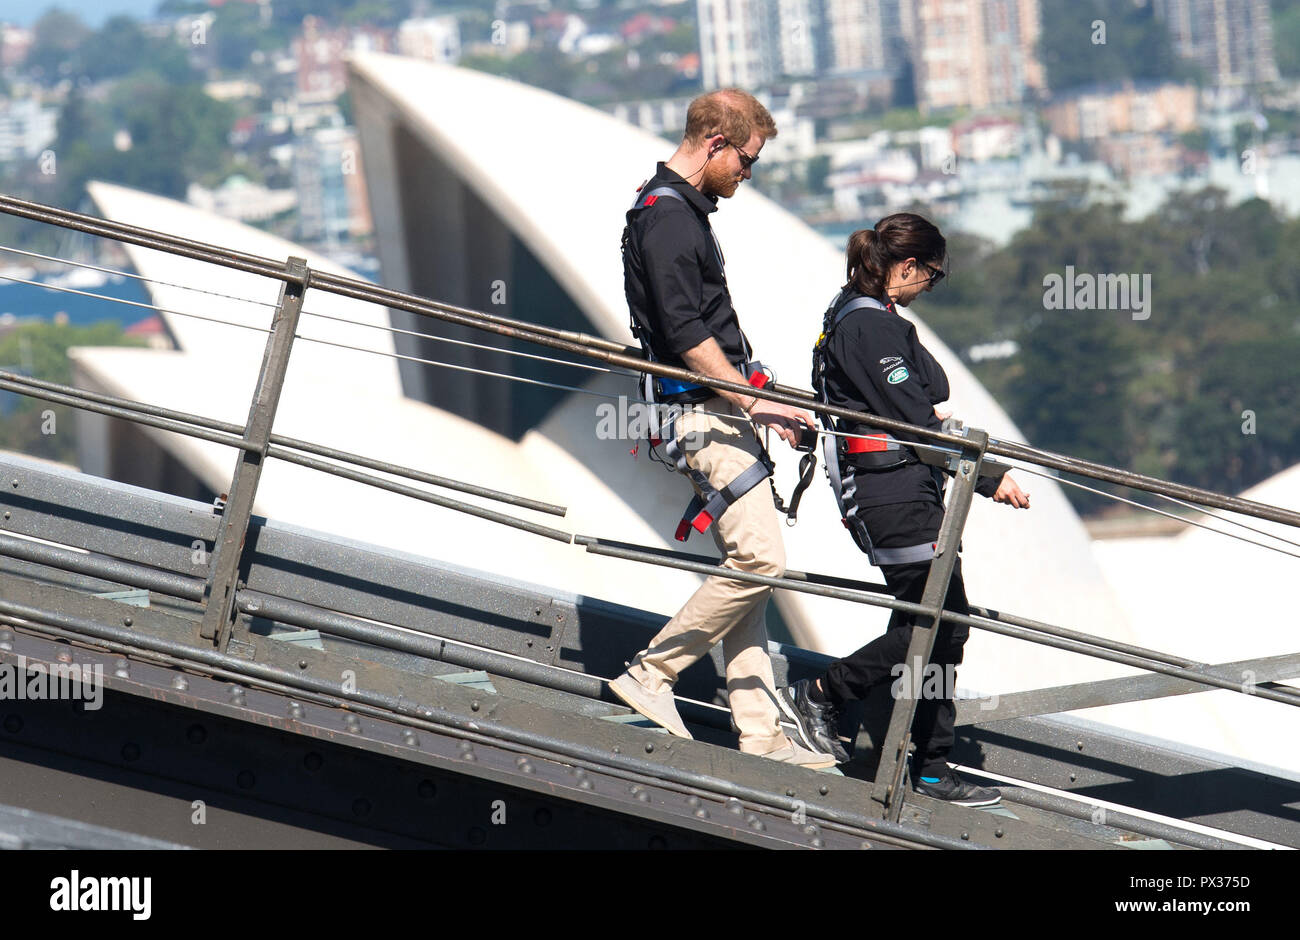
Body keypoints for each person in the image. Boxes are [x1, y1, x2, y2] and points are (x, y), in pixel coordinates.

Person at [609, 88, 835, 768]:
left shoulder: (670, 209)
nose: (748, 172)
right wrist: (754, 401)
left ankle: (761, 735)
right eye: (747, 159)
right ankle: (651, 672)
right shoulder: (670, 220)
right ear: (715, 143)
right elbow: (685, 334)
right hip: (701, 411)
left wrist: (757, 396)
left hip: (714, 405)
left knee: (752, 571)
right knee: (760, 561)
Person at [777, 213, 1032, 804]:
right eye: (930, 278)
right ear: (908, 267)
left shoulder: (863, 315)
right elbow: (920, 421)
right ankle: (820, 694)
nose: (927, 291)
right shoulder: (868, 327)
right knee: (941, 620)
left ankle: (928, 764)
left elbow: (925, 396)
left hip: (902, 490)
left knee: (934, 624)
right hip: (889, 493)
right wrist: (991, 478)